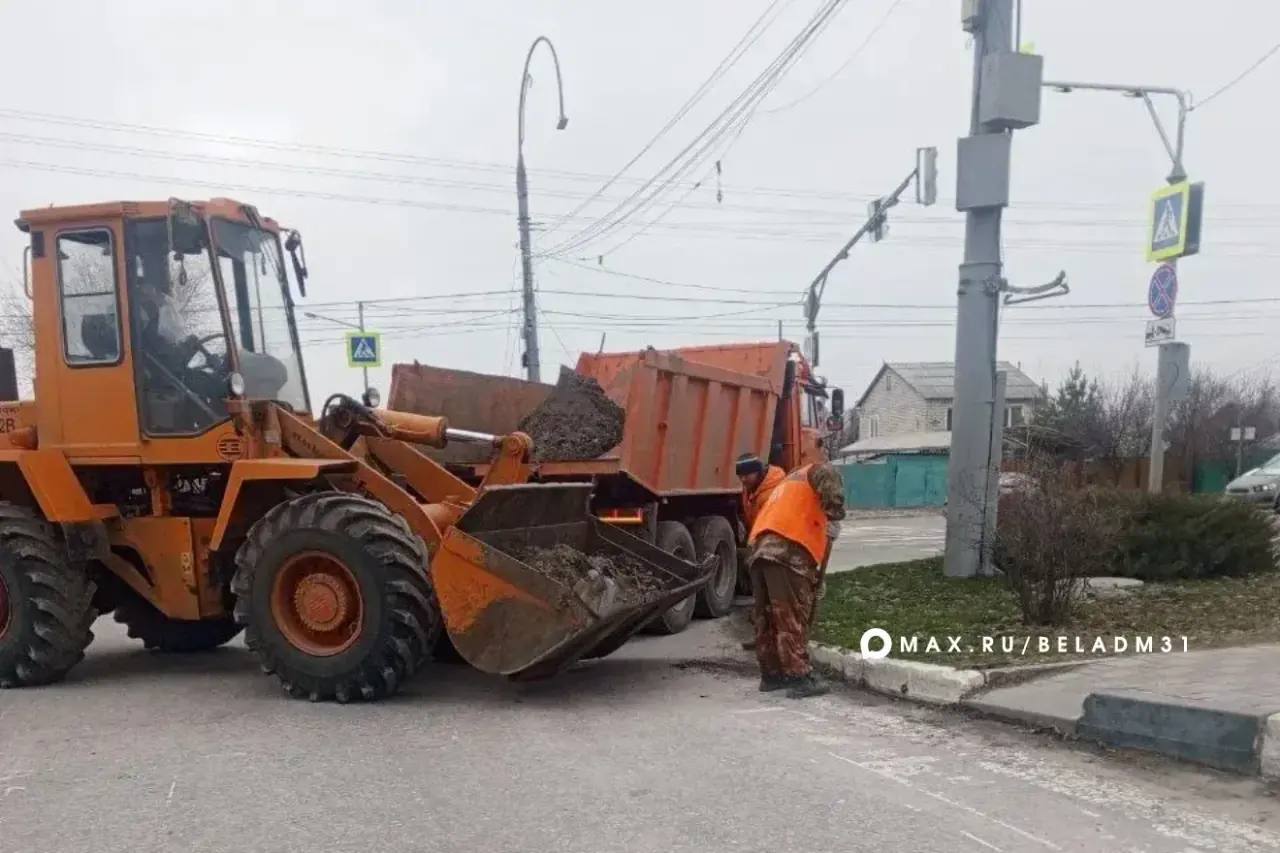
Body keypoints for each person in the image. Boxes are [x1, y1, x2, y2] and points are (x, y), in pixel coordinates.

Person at [746, 461, 845, 699]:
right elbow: (834, 504)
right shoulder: (823, 470)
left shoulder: (793, 480)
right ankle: (798, 676)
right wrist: (833, 519)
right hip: (788, 550)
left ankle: (771, 675)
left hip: (760, 550)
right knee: (791, 614)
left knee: (767, 616)